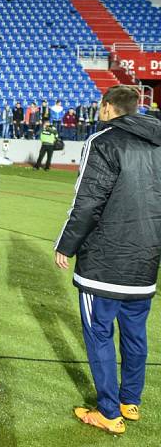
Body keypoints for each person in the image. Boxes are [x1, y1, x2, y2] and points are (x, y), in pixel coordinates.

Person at [54, 85, 161, 436]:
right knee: (134, 333)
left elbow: (87, 202)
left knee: (99, 333)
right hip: (145, 260)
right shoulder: (157, 142)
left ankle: (108, 411)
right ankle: (130, 401)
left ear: (108, 108)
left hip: (105, 262)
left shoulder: (103, 141)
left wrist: (66, 245)